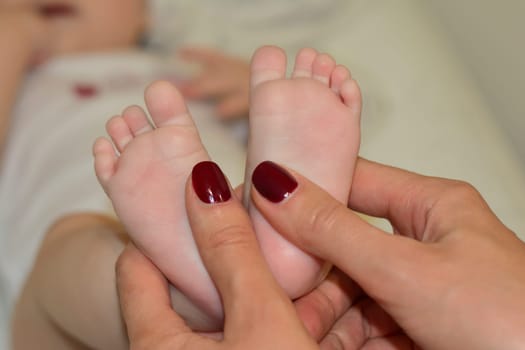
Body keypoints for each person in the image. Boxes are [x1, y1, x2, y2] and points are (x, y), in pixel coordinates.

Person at [9, 42, 362, 349]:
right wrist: (15, 39)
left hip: (228, 202)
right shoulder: (17, 80)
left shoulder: (187, 65)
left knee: (108, 255)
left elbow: (275, 125)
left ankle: (210, 283)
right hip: (68, 222)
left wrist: (247, 93)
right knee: (80, 242)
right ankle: (204, 292)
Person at [117, 157, 525, 349]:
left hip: (209, 173)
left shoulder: (189, 45)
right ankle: (200, 286)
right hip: (230, 185)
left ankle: (195, 287)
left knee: (89, 247)